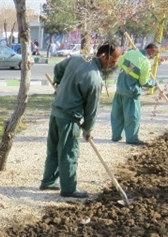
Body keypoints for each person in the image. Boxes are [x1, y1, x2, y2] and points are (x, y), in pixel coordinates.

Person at [40, 42, 122, 198]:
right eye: (112, 61)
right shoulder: (95, 79)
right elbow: (91, 110)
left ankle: (49, 181)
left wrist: (59, 81)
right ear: (103, 56)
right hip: (70, 118)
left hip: (56, 111)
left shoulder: (77, 59)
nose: (113, 65)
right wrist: (87, 129)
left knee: (54, 148)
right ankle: (69, 189)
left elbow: (58, 69)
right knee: (69, 152)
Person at [110, 43, 159, 146]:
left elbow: (119, 62)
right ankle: (132, 138)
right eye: (155, 53)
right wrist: (154, 84)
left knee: (117, 115)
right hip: (131, 93)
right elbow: (144, 82)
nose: (154, 56)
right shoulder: (145, 62)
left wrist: (130, 68)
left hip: (120, 90)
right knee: (132, 116)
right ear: (151, 50)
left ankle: (116, 136)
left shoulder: (131, 53)